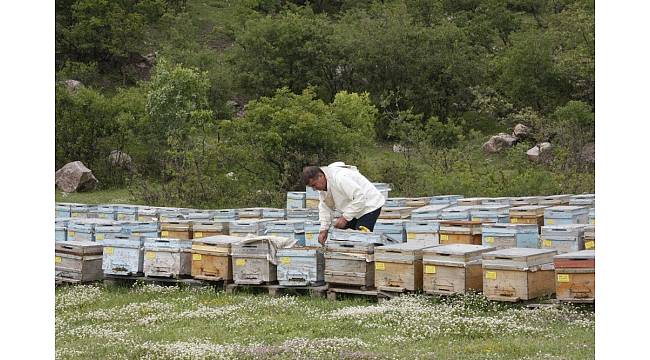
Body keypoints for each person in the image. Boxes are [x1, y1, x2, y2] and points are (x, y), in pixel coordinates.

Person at [301, 162, 385, 246]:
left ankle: (376, 255)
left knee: (360, 240)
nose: (314, 189)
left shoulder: (339, 178)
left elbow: (360, 197)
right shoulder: (324, 188)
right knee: (344, 238)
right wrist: (324, 230)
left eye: (314, 185)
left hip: (369, 205)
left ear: (320, 176)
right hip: (354, 208)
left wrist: (345, 218)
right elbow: (325, 208)